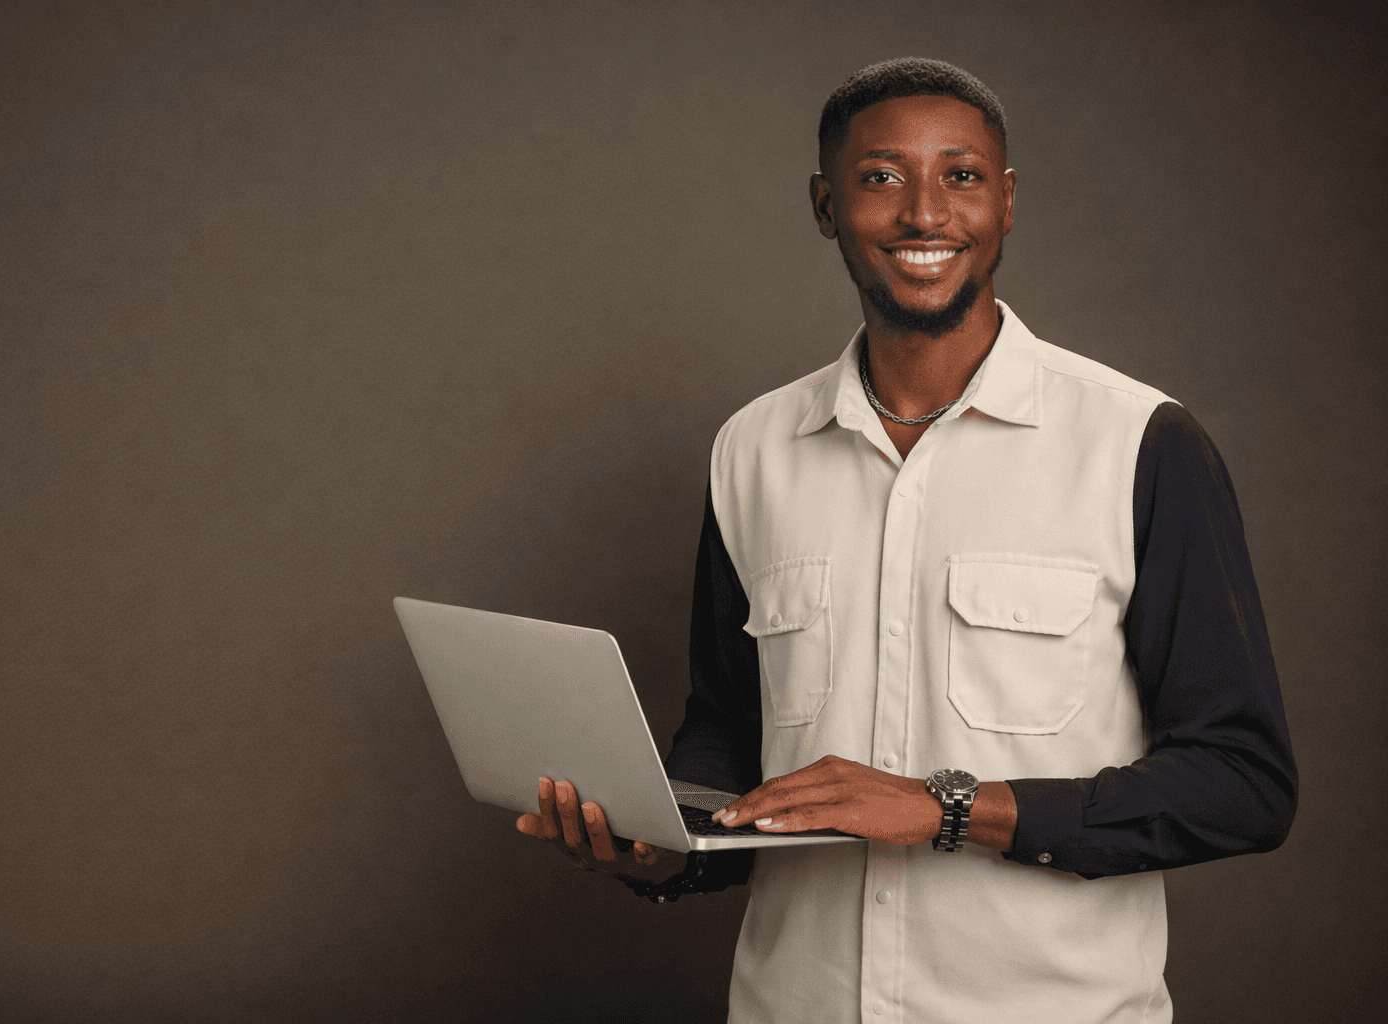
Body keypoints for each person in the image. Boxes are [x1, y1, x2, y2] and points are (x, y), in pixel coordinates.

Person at [515, 57, 1297, 1023]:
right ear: (825, 205)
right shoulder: (751, 449)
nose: (925, 214)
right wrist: (665, 843)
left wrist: (947, 808)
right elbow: (728, 732)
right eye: (881, 178)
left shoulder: (1141, 443)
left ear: (1006, 202)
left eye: (961, 176)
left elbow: (1243, 783)